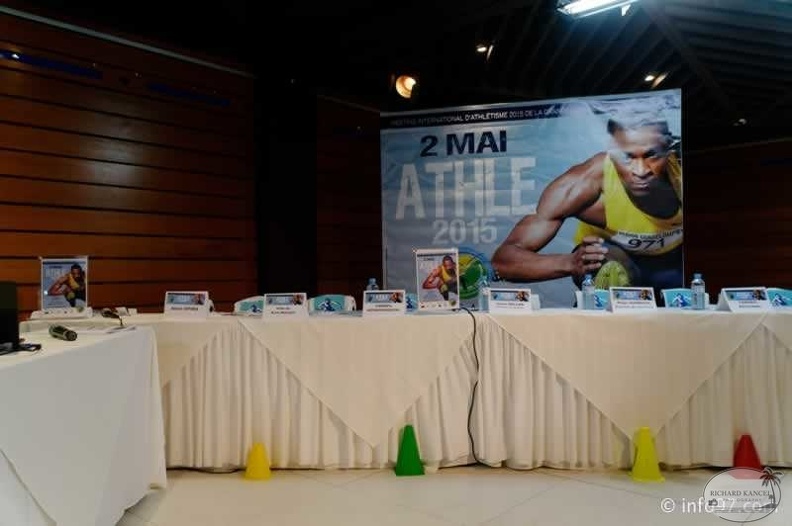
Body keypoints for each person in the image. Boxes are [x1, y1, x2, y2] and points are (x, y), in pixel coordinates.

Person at [492, 113, 683, 298]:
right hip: (616, 262)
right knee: (601, 261)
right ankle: (605, 309)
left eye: (652, 155)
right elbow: (503, 261)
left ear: (667, 148)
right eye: (626, 157)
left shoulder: (681, 169)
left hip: (675, 264)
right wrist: (570, 263)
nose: (640, 171)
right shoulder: (583, 184)